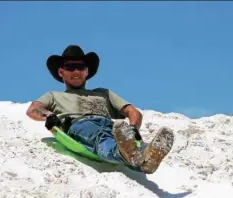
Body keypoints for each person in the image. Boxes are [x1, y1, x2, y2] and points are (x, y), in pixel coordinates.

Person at [26, 45, 174, 174]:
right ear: (61, 72)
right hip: (80, 124)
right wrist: (48, 115)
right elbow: (34, 109)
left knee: (125, 138)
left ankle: (147, 157)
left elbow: (132, 111)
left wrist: (134, 128)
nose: (76, 71)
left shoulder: (103, 93)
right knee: (100, 137)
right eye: (70, 67)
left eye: (81, 67)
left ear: (86, 71)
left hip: (110, 125)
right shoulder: (54, 95)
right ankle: (128, 153)